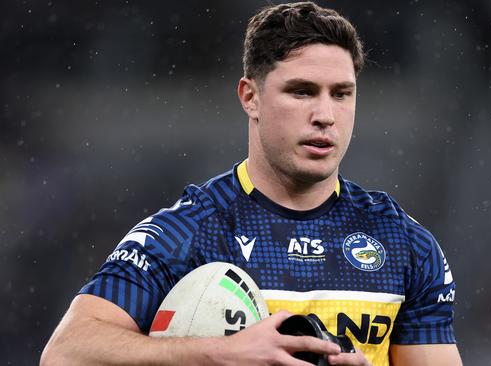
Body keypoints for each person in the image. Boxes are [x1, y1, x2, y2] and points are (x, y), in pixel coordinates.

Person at [40, 2, 462, 365]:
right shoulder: (186, 233)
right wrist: (221, 352)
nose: (325, 115)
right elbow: (66, 351)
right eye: (301, 91)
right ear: (250, 97)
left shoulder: (406, 245)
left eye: (341, 93)